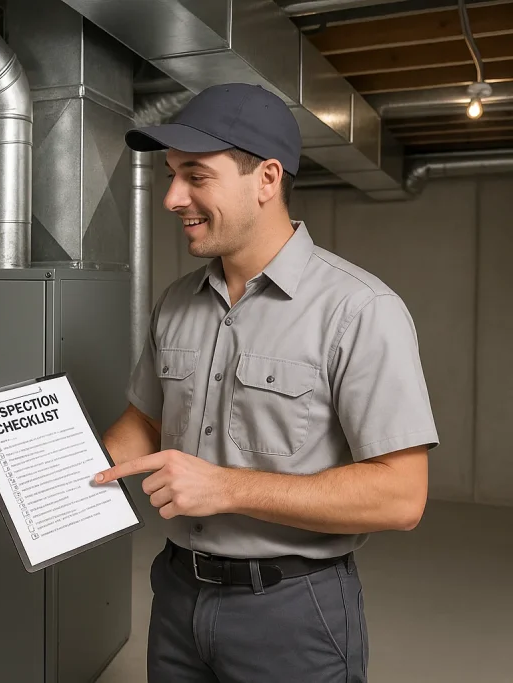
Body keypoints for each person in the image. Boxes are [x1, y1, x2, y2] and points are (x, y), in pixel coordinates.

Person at [95, 83, 438, 683]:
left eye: (196, 176)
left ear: (267, 179)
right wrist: (62, 476)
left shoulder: (359, 309)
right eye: (172, 176)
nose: (172, 197)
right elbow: (147, 419)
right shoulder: (176, 302)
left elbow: (401, 496)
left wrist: (226, 488)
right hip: (176, 596)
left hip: (293, 611)